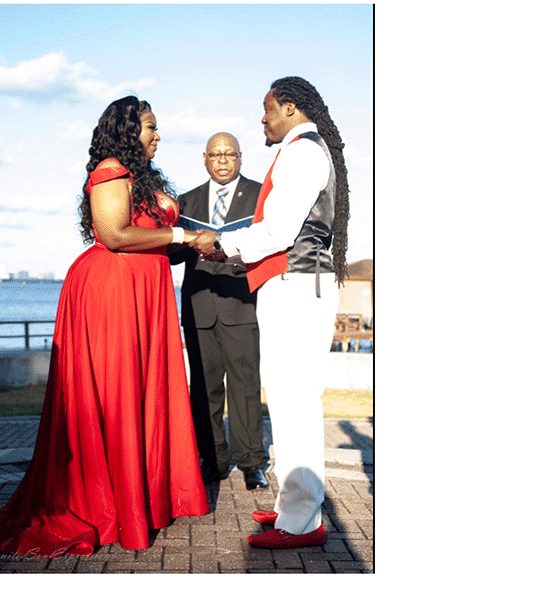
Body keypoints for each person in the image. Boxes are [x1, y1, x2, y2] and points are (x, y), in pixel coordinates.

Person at [0, 96, 209, 558]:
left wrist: (201, 245)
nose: (158, 136)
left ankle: (138, 498)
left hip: (144, 293)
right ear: (128, 131)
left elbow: (152, 240)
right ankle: (107, 503)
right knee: (114, 394)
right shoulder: (109, 169)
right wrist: (184, 234)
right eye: (150, 128)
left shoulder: (145, 177)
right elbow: (114, 234)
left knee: (142, 395)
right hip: (111, 294)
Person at [189, 77, 350, 549]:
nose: (263, 119)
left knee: (294, 401)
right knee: (286, 399)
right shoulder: (302, 149)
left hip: (296, 286)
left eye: (267, 109)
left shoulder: (301, 152)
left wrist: (221, 242)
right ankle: (293, 508)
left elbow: (278, 230)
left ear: (290, 107)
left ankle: (301, 523)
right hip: (293, 285)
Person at [169, 132, 268, 491]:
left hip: (241, 302)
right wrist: (187, 240)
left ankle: (251, 462)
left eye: (230, 154)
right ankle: (212, 459)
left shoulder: (260, 196)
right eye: (215, 154)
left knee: (245, 386)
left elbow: (270, 243)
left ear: (241, 158)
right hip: (198, 307)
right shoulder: (187, 201)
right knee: (205, 388)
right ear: (205, 159)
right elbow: (173, 254)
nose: (223, 160)